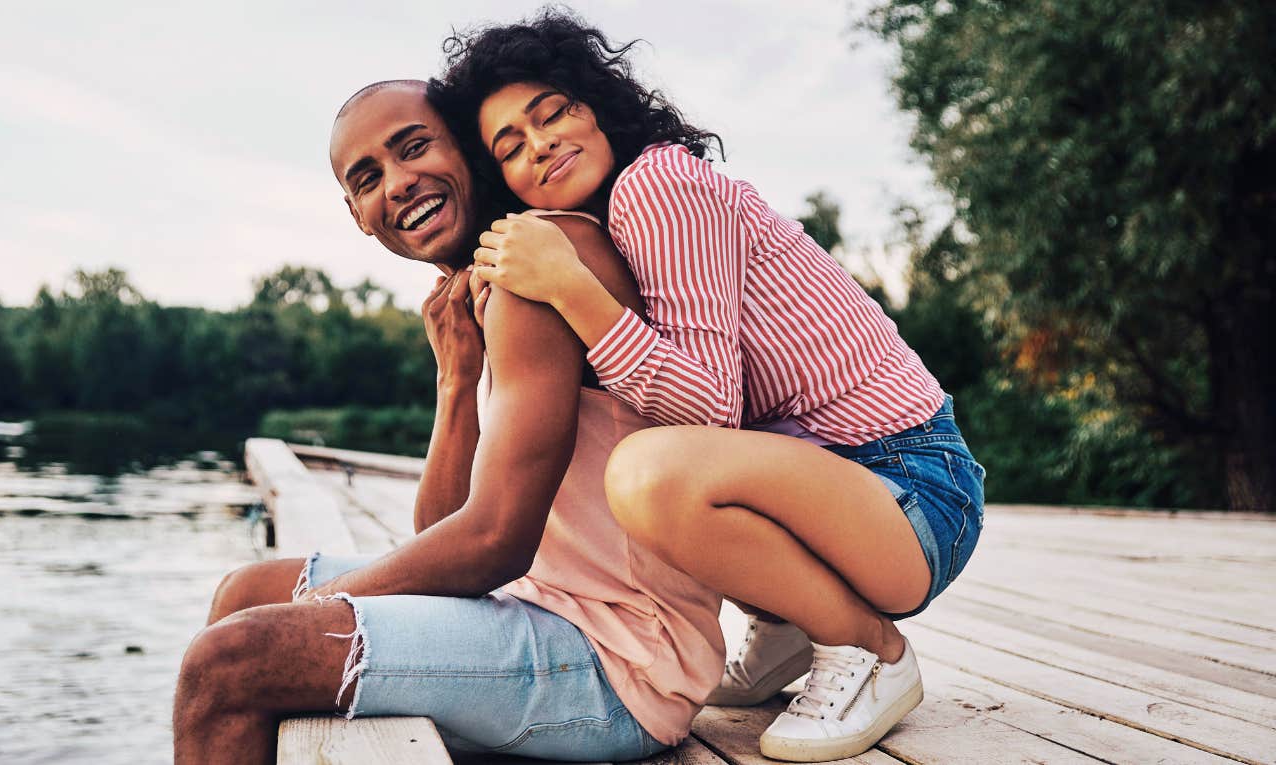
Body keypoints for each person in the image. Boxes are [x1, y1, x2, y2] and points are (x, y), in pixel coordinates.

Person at [429, 11, 986, 762]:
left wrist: (570, 287)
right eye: (511, 145)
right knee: (645, 464)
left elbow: (707, 406)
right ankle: (787, 626)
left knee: (648, 471)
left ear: (593, 105)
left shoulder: (655, 186)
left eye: (553, 111)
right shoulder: (612, 218)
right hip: (851, 488)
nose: (542, 143)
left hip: (911, 488)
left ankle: (870, 648)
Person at [172, 80, 726, 764]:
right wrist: (456, 380)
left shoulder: (541, 259)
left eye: (414, 148)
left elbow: (494, 541)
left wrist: (317, 607)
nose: (399, 183)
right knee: (243, 592)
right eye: (369, 177)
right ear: (358, 214)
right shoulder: (483, 285)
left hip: (621, 664)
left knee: (228, 664)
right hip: (542, 608)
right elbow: (440, 534)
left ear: (467, 147)